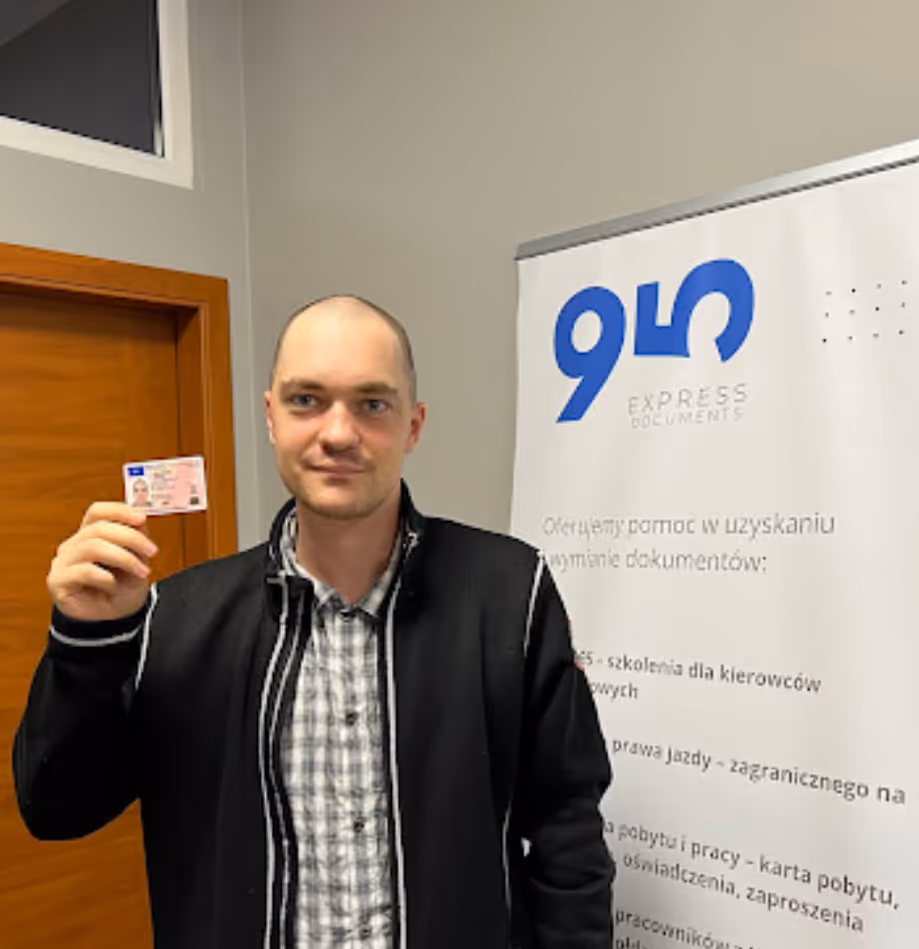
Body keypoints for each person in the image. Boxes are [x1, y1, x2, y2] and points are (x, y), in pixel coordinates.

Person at [13, 295, 614, 949]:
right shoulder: (178, 618)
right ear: (270, 416)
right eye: (306, 400)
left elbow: (567, 827)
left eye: (371, 403)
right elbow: (57, 808)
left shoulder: (508, 592)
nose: (337, 432)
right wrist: (90, 641)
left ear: (412, 426)